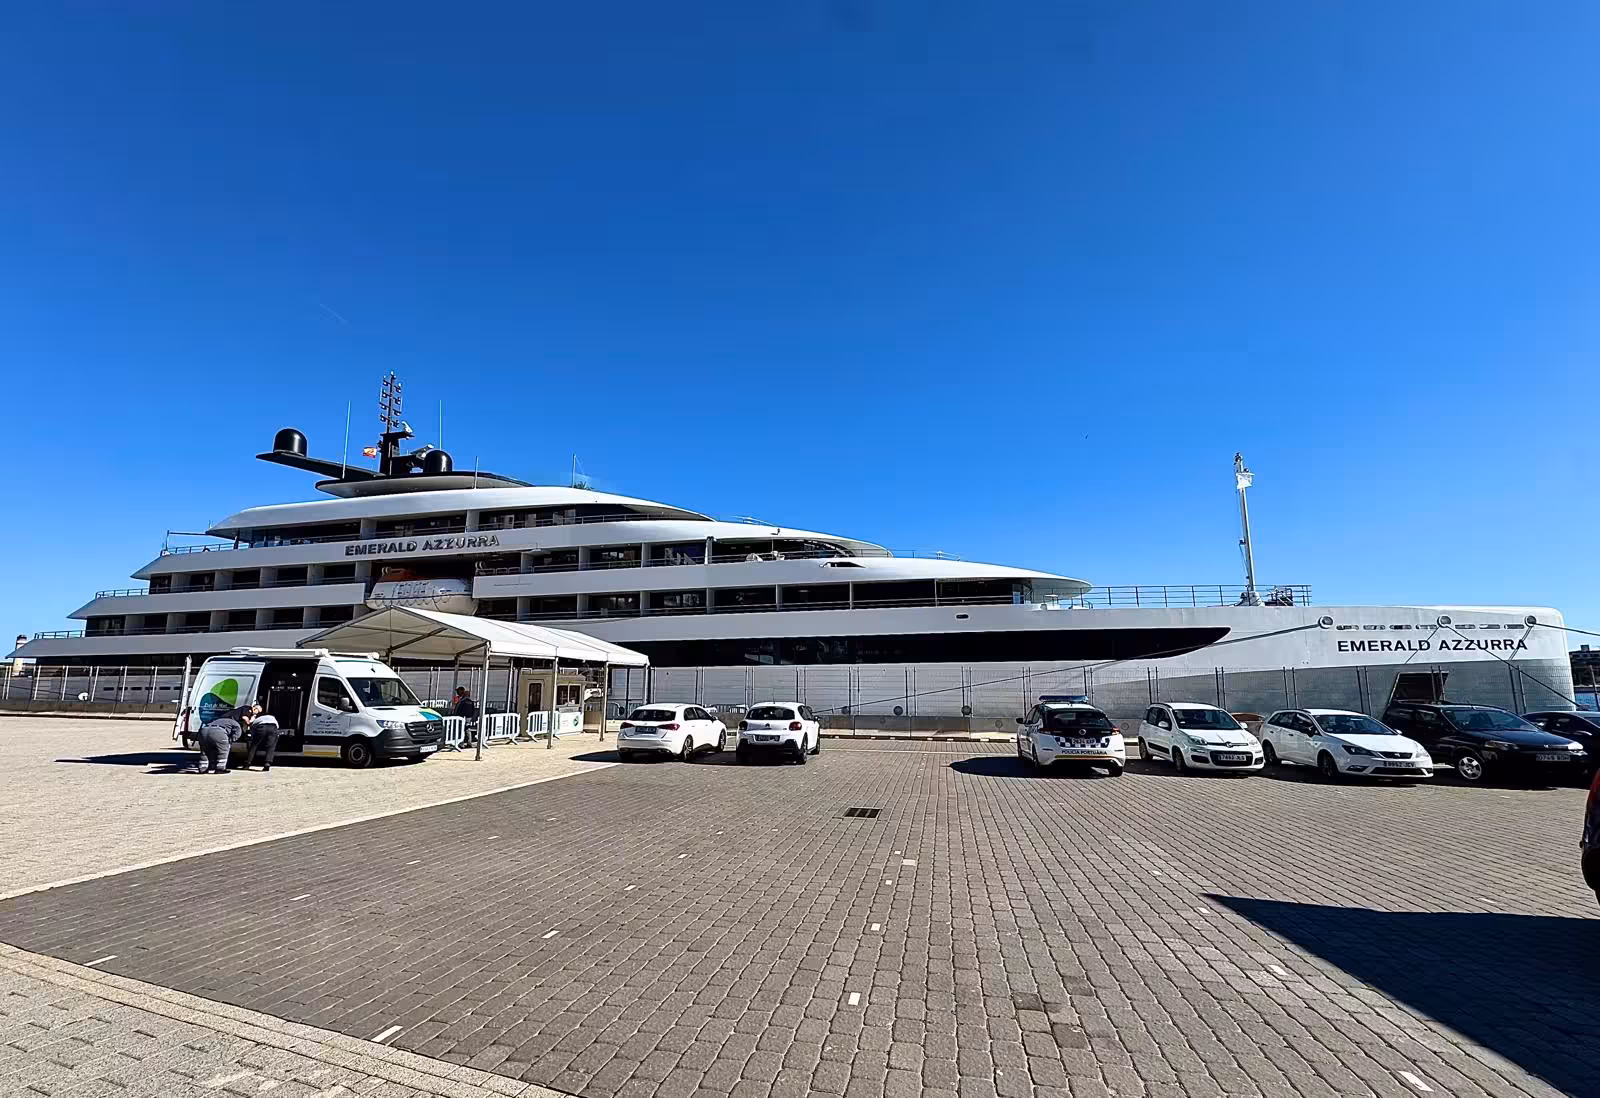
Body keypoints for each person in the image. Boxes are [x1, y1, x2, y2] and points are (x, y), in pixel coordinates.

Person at [196, 704, 257, 774]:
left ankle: (202, 768)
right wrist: (230, 740)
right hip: (218, 732)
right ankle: (220, 769)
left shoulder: (219, 720)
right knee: (223, 750)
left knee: (205, 751)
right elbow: (237, 733)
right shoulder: (235, 723)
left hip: (204, 731)